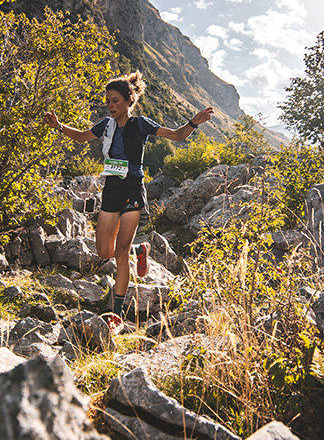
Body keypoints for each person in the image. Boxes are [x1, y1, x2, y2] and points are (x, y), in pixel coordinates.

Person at [44, 71, 213, 332]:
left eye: (115, 101)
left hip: (133, 189)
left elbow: (177, 136)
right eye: (108, 101)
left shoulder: (141, 124)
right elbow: (81, 136)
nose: (110, 106)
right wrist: (58, 125)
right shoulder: (106, 125)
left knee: (120, 253)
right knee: (103, 251)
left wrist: (194, 122)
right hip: (111, 189)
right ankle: (139, 250)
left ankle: (116, 314)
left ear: (128, 100)